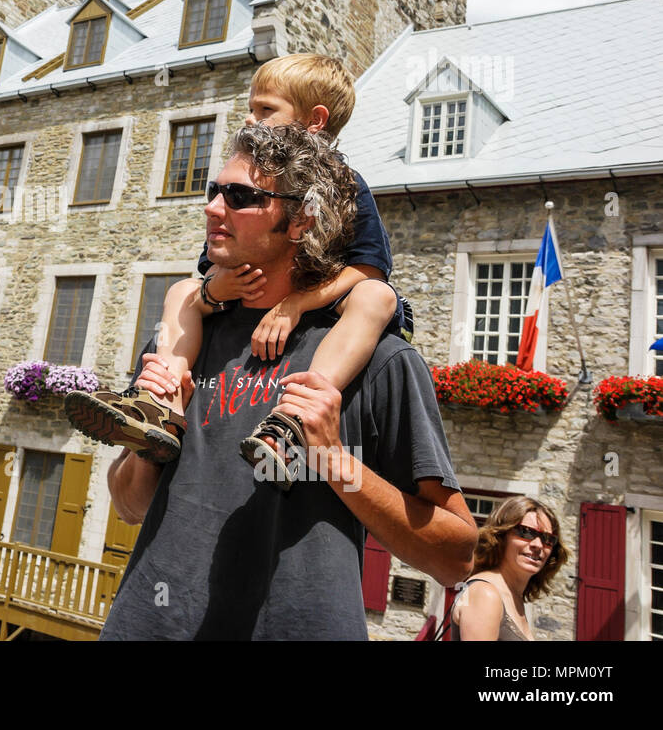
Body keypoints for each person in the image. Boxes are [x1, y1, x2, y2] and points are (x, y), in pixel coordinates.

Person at [100, 123, 476, 640]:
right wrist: (154, 444)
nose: (213, 207)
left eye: (240, 196)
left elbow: (458, 557)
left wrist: (335, 460)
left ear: (301, 220)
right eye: (215, 191)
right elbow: (128, 506)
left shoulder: (380, 361)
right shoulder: (180, 341)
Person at [67, 54, 403, 475]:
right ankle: (160, 405)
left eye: (265, 110)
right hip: (243, 292)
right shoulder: (243, 174)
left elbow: (370, 267)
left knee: (376, 297)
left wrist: (296, 304)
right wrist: (212, 290)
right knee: (181, 292)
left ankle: (293, 421)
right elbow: (211, 266)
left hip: (322, 296)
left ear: (315, 120)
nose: (249, 119)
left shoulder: (346, 183)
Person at [450, 496, 567, 641]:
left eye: (548, 539)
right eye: (526, 532)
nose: (538, 544)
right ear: (501, 536)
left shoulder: (512, 595)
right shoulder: (484, 593)